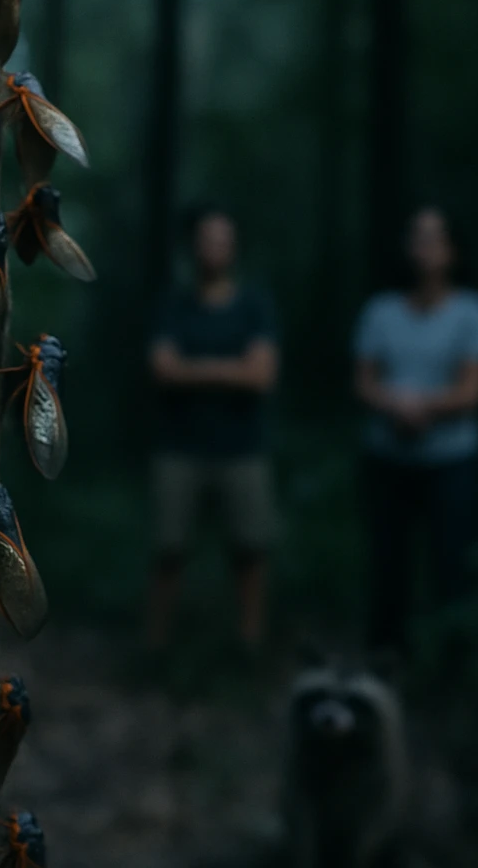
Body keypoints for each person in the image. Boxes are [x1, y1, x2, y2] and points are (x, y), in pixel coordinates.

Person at [353, 206, 478, 652]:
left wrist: (422, 406)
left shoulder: (473, 312)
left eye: (434, 238)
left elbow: (472, 391)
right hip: (388, 457)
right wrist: (393, 404)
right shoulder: (380, 311)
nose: (424, 247)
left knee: (451, 564)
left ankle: (453, 667)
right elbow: (363, 380)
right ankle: (385, 664)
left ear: (453, 250)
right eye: (417, 237)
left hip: (451, 459)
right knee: (389, 566)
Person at [146, 203, 279, 652]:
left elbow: (261, 376)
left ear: (234, 246)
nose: (214, 247)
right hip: (179, 448)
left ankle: (249, 643)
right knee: (169, 549)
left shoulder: (255, 306)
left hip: (242, 449)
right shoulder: (174, 305)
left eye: (223, 238)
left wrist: (194, 369)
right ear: (193, 245)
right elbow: (163, 371)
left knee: (250, 550)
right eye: (207, 238)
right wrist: (231, 369)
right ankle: (158, 646)